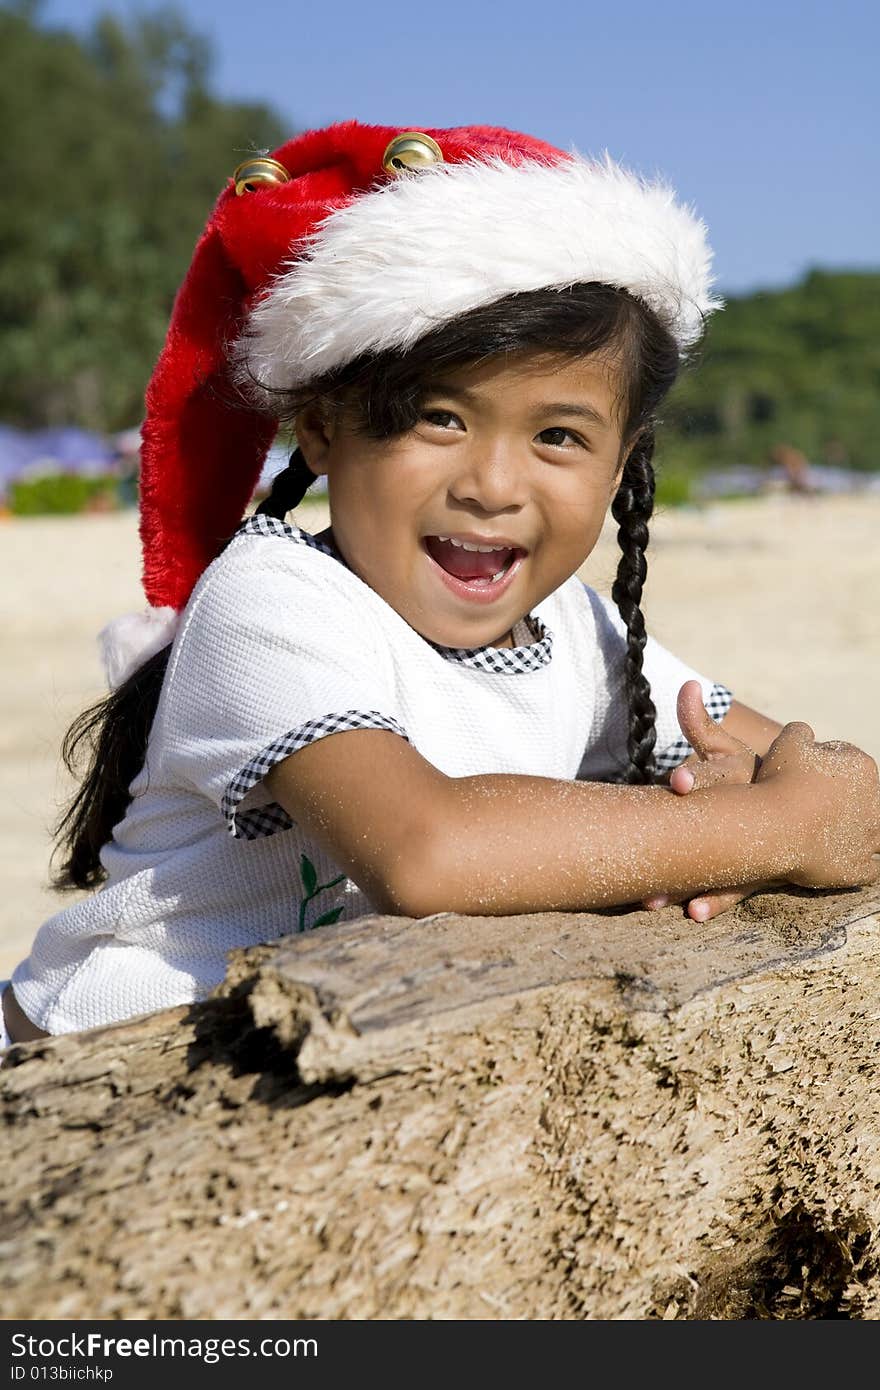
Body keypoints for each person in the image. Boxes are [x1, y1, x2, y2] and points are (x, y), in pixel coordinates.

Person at [3, 121, 878, 1049]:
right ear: (323, 425)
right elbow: (426, 852)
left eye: (560, 437)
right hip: (82, 1067)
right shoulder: (275, 600)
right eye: (439, 417)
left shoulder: (575, 630)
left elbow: (806, 771)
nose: (493, 486)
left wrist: (766, 790)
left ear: (622, 465)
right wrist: (768, 831)